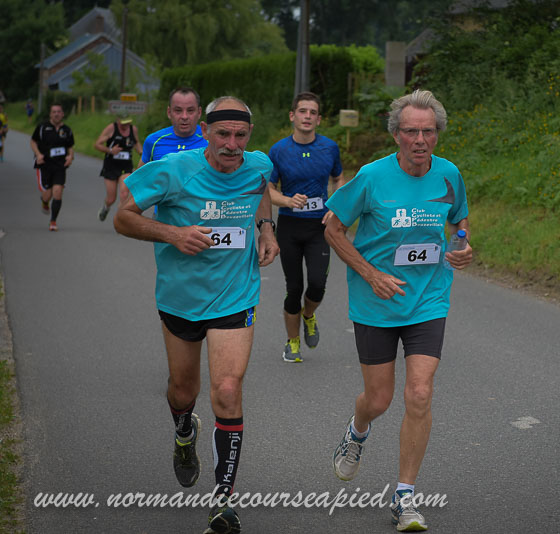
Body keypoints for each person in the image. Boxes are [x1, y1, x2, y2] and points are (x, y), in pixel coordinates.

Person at [114, 96, 279, 534]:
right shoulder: (172, 170)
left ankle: (223, 501)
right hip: (181, 299)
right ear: (205, 132)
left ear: (250, 135)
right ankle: (184, 431)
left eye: (240, 136)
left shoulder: (258, 164)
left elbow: (261, 189)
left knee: (227, 388)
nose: (231, 145)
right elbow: (123, 218)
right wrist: (173, 233)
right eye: (222, 134)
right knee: (182, 390)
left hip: (235, 296)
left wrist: (266, 229)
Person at [325, 89, 472, 532]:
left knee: (420, 393)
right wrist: (371, 275)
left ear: (437, 135)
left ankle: (404, 496)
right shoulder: (372, 177)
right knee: (379, 399)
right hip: (376, 301)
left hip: (428, 298)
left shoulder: (449, 174)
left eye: (428, 132)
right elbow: (332, 229)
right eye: (411, 131)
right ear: (396, 135)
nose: (420, 140)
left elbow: (459, 220)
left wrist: (462, 246)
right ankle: (357, 430)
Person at [267, 92, 343, 363]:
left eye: (312, 112)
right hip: (289, 226)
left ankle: (308, 315)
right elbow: (268, 189)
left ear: (319, 119)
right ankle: (292, 342)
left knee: (318, 284)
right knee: (294, 287)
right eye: (302, 111)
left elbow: (338, 178)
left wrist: (336, 206)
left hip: (319, 227)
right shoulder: (279, 150)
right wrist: (288, 200)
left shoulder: (329, 148)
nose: (307, 116)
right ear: (292, 116)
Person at [118, 87, 208, 207]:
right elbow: (139, 183)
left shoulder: (211, 140)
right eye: (178, 110)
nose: (184, 116)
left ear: (199, 112)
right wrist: (125, 209)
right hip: (164, 216)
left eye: (190, 111)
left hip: (203, 214)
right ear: (169, 112)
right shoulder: (154, 141)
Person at [30, 103, 74, 231]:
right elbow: (33, 141)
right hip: (45, 165)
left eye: (59, 112)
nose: (56, 114)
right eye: (54, 112)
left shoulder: (67, 130)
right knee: (47, 195)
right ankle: (44, 201)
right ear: (50, 114)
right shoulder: (42, 127)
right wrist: (38, 154)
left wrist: (70, 157)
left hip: (60, 166)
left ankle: (53, 221)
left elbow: (70, 147)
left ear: (62, 114)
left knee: (58, 192)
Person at [94, 114, 143, 221]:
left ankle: (120, 220)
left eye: (128, 123)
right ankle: (106, 207)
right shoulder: (111, 128)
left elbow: (136, 143)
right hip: (111, 166)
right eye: (123, 123)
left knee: (124, 194)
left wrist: (142, 153)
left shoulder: (133, 129)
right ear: (118, 120)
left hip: (126, 167)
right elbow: (97, 144)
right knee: (111, 199)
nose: (126, 125)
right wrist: (110, 151)